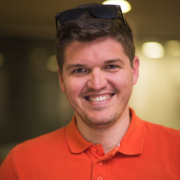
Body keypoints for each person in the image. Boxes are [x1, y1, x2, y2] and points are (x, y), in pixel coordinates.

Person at [0, 3, 180, 180]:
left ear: (134, 71)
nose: (97, 84)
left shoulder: (176, 150)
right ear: (62, 79)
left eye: (111, 66)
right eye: (79, 70)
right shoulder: (20, 164)